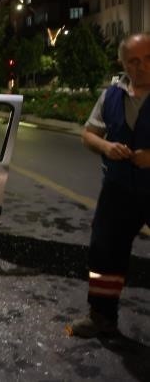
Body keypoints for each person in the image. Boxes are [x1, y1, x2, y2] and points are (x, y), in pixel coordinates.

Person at [68, 32, 150, 338]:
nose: (142, 66)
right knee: (104, 252)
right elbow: (88, 133)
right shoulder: (111, 95)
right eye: (134, 61)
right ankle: (102, 317)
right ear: (123, 63)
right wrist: (106, 147)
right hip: (117, 190)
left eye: (148, 59)